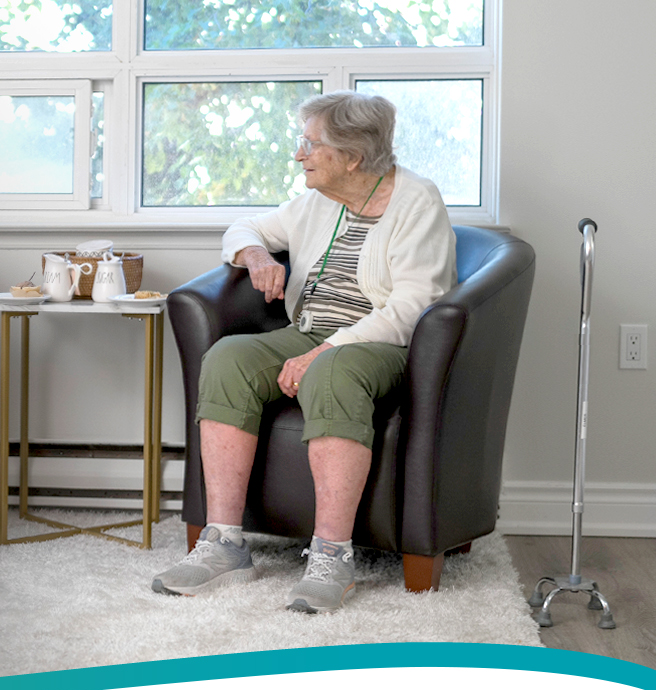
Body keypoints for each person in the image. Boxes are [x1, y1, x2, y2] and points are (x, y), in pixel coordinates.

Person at [151, 91, 457, 613]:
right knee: (227, 358)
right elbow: (246, 227)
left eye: (311, 144)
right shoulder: (319, 201)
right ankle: (225, 544)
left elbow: (412, 307)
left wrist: (326, 351)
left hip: (379, 343)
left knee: (333, 370)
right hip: (309, 332)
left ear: (352, 157)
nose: (299, 155)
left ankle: (333, 556)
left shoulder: (416, 202)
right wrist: (256, 257)